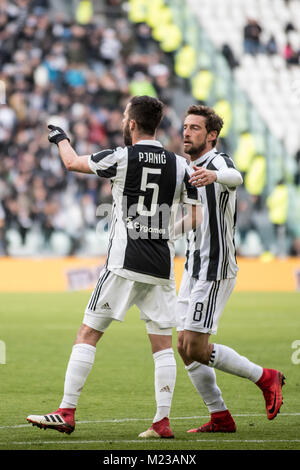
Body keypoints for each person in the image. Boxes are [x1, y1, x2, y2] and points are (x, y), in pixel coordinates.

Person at [26, 95, 202, 438]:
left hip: (124, 261)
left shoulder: (122, 158)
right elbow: (195, 215)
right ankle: (162, 421)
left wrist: (60, 137)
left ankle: (66, 411)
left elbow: (73, 163)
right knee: (162, 345)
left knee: (88, 333)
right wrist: (166, 233)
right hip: (161, 265)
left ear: (132, 123)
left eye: (125, 118)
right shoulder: (180, 165)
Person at [176, 104, 285, 433]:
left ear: (211, 136)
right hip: (192, 267)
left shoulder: (217, 162)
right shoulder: (190, 166)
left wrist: (214, 176)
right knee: (184, 347)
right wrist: (162, 232)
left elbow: (236, 177)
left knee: (195, 346)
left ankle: (265, 377)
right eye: (185, 126)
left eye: (195, 128)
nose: (186, 132)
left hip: (215, 268)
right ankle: (220, 416)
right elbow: (196, 216)